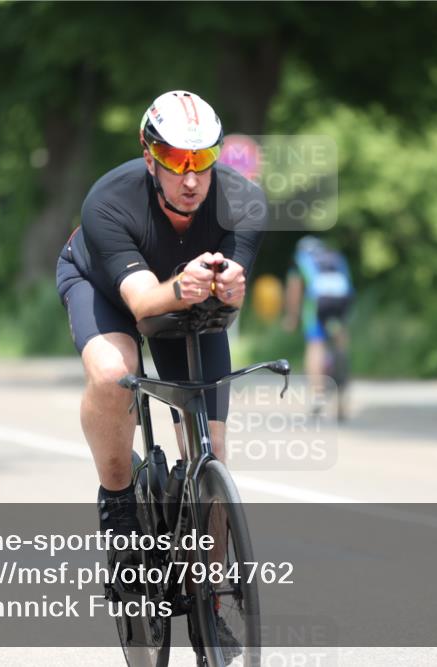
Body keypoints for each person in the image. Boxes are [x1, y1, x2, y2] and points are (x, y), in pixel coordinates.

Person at [55, 91, 266, 553]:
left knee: (210, 453)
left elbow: (228, 296)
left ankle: (208, 586)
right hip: (106, 288)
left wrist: (231, 289)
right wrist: (183, 286)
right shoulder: (108, 200)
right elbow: (141, 302)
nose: (190, 179)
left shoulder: (243, 201)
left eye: (202, 160)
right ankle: (118, 504)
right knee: (114, 374)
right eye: (174, 160)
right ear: (150, 158)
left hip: (184, 296)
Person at [283, 235, 355, 420]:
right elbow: (348, 284)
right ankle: (342, 393)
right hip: (341, 302)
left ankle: (318, 394)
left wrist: (292, 317)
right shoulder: (335, 257)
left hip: (318, 302)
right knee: (340, 343)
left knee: (315, 345)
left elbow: (294, 289)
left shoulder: (301, 259)